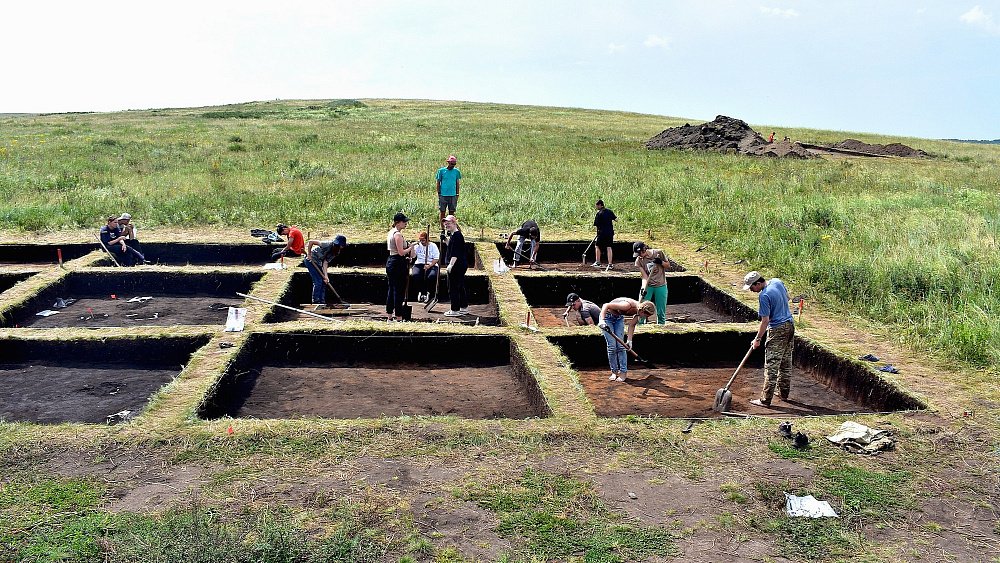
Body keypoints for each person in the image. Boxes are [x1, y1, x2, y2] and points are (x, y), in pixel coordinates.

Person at [743, 271, 795, 407]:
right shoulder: (777, 281)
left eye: (752, 287)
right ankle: (783, 393)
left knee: (771, 365)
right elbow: (787, 298)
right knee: (785, 362)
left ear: (758, 283)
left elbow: (765, 321)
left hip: (777, 329)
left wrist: (758, 339)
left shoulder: (764, 295)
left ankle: (765, 400)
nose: (751, 290)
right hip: (790, 325)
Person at [598, 298, 657, 382]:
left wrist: (629, 341)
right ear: (642, 311)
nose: (645, 318)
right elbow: (606, 305)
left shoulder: (638, 313)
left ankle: (623, 372)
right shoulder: (626, 306)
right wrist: (602, 321)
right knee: (612, 346)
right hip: (607, 317)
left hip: (618, 318)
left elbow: (632, 325)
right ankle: (614, 372)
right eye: (646, 316)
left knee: (621, 347)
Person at [303, 234, 348, 304]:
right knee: (318, 282)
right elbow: (311, 242)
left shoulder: (335, 252)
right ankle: (316, 301)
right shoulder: (326, 244)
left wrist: (326, 276)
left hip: (318, 263)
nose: (340, 246)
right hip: (310, 261)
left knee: (324, 282)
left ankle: (322, 301)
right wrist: (309, 254)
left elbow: (325, 262)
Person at [633, 241, 670, 324]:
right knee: (641, 308)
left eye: (640, 253)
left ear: (644, 250)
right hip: (648, 286)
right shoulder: (639, 261)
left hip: (661, 285)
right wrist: (643, 288)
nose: (639, 256)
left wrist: (661, 262)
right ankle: (641, 326)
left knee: (661, 311)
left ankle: (661, 327)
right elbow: (644, 276)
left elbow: (668, 265)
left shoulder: (658, 253)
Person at [386, 213, 414, 321]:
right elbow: (401, 252)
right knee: (398, 291)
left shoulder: (391, 232)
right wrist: (410, 247)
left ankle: (389, 316)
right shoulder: (397, 234)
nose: (406, 223)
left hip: (392, 261)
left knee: (392, 289)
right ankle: (398, 317)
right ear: (398, 222)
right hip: (397, 263)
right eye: (404, 222)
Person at [442, 214, 468, 317]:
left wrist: (451, 265)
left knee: (453, 287)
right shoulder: (454, 235)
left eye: (448, 223)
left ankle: (455, 309)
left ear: (454, 223)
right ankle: (463, 307)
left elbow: (455, 253)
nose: (446, 225)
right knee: (460, 286)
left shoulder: (457, 236)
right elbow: (452, 247)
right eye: (445, 224)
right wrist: (445, 240)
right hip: (459, 265)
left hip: (457, 266)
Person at [409, 231, 440, 303]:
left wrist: (429, 265)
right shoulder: (418, 246)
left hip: (431, 264)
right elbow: (413, 256)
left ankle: (429, 293)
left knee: (431, 276)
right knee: (416, 275)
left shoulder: (433, 246)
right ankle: (421, 292)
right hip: (419, 263)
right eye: (420, 240)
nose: (421, 242)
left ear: (427, 239)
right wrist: (412, 248)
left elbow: (436, 258)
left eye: (423, 240)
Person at [435, 155, 462, 228]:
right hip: (443, 195)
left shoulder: (456, 172)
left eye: (454, 164)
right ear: (448, 162)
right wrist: (439, 193)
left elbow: (457, 183)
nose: (453, 165)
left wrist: (457, 193)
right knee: (442, 212)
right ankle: (442, 229)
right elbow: (438, 182)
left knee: (451, 213)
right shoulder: (441, 171)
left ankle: (451, 228)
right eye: (451, 163)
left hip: (452, 195)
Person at [592, 199, 617, 269]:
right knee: (609, 247)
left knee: (597, 246)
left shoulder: (599, 213)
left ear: (600, 205)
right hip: (610, 233)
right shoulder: (609, 211)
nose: (596, 207)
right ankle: (610, 264)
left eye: (596, 206)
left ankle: (598, 262)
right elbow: (616, 219)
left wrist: (597, 233)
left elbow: (596, 225)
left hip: (602, 233)